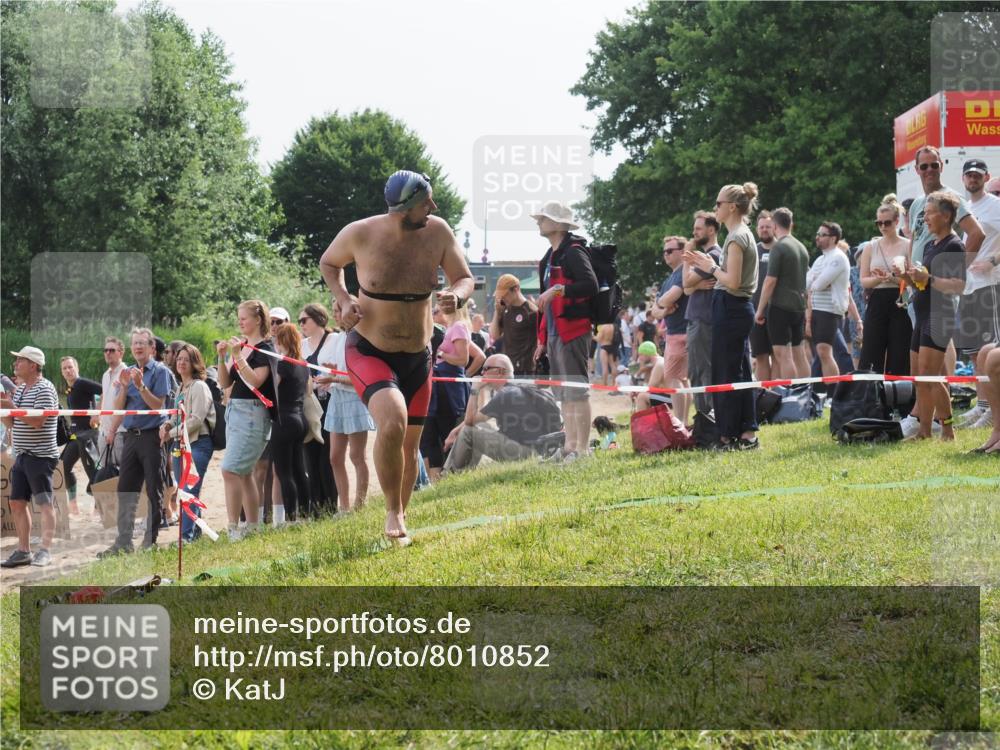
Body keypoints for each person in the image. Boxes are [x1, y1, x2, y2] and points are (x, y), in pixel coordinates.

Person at [320, 169, 474, 542]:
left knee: (410, 444)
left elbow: (464, 277)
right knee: (392, 421)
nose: (433, 207)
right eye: (426, 202)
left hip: (418, 355)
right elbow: (329, 262)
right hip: (369, 348)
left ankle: (400, 518)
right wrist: (344, 299)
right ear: (404, 208)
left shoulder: (437, 231)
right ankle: (391, 510)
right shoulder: (361, 232)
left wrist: (459, 295)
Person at [684, 182, 760, 450]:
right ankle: (744, 432)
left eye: (718, 204)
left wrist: (711, 267)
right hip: (731, 307)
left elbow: (734, 281)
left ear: (731, 207)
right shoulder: (737, 234)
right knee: (737, 372)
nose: (715, 208)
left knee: (727, 374)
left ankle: (731, 434)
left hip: (732, 305)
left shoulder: (738, 236)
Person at [532, 200, 599, 462]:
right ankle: (570, 445)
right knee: (563, 393)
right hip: (553, 333)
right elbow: (543, 305)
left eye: (544, 218)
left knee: (576, 390)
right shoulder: (548, 258)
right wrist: (541, 339)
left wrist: (558, 289)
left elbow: (590, 284)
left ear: (560, 225)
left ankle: (581, 449)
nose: (539, 221)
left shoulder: (573, 251)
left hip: (573, 329)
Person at [98, 328, 172, 557]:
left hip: (152, 438)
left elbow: (158, 406)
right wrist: (123, 386)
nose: (138, 347)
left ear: (151, 348)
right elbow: (120, 406)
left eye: (142, 343)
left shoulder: (161, 371)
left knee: (154, 489)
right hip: (130, 435)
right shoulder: (128, 372)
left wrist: (140, 386)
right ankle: (124, 542)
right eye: (135, 344)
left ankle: (150, 541)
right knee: (125, 490)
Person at [903, 192, 968, 441]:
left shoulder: (954, 245)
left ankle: (948, 430)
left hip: (939, 316)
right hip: (922, 315)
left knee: (930, 376)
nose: (925, 218)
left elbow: (958, 285)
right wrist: (904, 276)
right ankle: (925, 431)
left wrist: (927, 278)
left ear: (946, 216)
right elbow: (923, 284)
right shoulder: (931, 245)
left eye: (929, 213)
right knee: (921, 378)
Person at [214, 300, 277, 540]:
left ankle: (233, 529)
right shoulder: (244, 347)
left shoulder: (265, 348)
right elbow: (225, 383)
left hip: (253, 413)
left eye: (244, 317)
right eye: (238, 317)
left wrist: (238, 355)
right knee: (245, 472)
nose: (240, 322)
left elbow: (256, 381)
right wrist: (222, 358)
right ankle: (253, 527)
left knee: (230, 470)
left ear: (259, 319)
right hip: (235, 411)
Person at [441, 354, 562, 472]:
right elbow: (478, 419)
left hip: (526, 454)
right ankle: (461, 471)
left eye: (486, 369)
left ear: (499, 371)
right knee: (479, 427)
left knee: (469, 432)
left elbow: (469, 421)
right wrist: (456, 430)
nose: (482, 373)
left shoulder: (505, 394)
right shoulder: (519, 389)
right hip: (539, 450)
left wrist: (475, 389)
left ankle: (450, 474)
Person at [0, 346, 60, 568]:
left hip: (41, 456)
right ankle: (23, 550)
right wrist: (4, 409)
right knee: (17, 503)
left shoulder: (45, 388)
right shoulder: (23, 388)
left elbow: (37, 422)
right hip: (23, 455)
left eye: (20, 361)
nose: (15, 364)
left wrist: (11, 406)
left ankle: (45, 551)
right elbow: (13, 424)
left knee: (44, 504)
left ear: (33, 365)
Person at [957, 159, 1000, 429]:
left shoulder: (996, 206)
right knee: (973, 351)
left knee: (989, 350)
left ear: (986, 177)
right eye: (968, 175)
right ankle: (982, 406)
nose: (972, 179)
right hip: (968, 285)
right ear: (963, 179)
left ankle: (993, 409)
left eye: (977, 175)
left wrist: (993, 262)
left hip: (989, 285)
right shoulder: (965, 208)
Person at [320, 311, 375, 512]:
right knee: (335, 456)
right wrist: (329, 375)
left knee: (357, 456)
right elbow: (335, 369)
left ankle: (360, 505)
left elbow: (362, 378)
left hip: (354, 399)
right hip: (337, 397)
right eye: (334, 310)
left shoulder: (361, 337)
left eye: (339, 310)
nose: (336, 314)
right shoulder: (337, 337)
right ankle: (343, 507)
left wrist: (334, 378)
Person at [160, 343, 214, 542]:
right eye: (179, 358)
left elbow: (196, 420)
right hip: (179, 444)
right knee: (185, 491)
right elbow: (177, 417)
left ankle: (186, 537)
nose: (181, 362)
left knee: (189, 491)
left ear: (195, 363)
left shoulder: (199, 386)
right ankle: (196, 534)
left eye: (186, 359)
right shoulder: (181, 387)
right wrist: (166, 426)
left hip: (198, 443)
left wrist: (171, 433)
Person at [857, 195, 913, 375]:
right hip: (878, 298)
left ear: (897, 221)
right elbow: (863, 280)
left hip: (900, 297)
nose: (882, 227)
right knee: (871, 350)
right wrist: (880, 279)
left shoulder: (907, 245)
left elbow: (913, 279)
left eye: (886, 223)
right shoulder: (870, 247)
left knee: (900, 350)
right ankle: (870, 397)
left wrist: (893, 278)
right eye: (878, 223)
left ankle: (900, 397)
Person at [754, 207, 811, 378]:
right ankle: (805, 395)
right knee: (799, 355)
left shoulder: (779, 247)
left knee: (783, 356)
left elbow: (770, 281)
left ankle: (790, 397)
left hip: (780, 307)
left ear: (774, 225)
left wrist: (760, 309)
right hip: (798, 308)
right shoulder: (801, 247)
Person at [422, 305, 474, 481]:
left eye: (436, 310)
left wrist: (442, 354)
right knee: (432, 439)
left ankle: (453, 480)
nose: (434, 313)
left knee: (448, 436)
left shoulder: (459, 326)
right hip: (437, 389)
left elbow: (463, 359)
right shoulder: (447, 328)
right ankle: (436, 483)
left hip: (449, 391)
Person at [299, 303, 338, 514]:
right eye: (299, 321)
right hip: (310, 405)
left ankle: (331, 505)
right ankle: (316, 508)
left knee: (328, 457)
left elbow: (341, 369)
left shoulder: (335, 340)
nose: (301, 325)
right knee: (310, 456)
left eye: (304, 320)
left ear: (319, 319)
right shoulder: (302, 346)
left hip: (330, 403)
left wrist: (332, 377)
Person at [269, 322, 311, 524]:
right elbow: (309, 391)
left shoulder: (283, 363)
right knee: (298, 469)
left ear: (280, 341)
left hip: (284, 419)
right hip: (300, 419)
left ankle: (291, 518)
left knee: (284, 472)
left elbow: (273, 388)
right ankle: (305, 514)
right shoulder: (303, 363)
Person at [683, 210, 723, 417]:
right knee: (696, 371)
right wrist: (695, 285)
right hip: (698, 320)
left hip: (704, 321)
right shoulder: (703, 257)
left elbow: (686, 283)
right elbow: (688, 289)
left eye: (698, 228)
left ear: (711, 229)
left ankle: (707, 417)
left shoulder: (713, 255)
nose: (694, 233)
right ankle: (703, 417)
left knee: (703, 370)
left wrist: (686, 258)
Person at [652, 235, 691, 422]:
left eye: (670, 251)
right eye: (664, 251)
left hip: (681, 332)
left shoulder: (684, 270)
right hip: (675, 332)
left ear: (682, 252)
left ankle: (680, 423)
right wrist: (663, 308)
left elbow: (673, 296)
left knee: (673, 379)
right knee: (683, 381)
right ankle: (684, 424)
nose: (665, 254)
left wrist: (662, 305)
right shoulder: (669, 278)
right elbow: (654, 312)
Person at [806, 222, 852, 378]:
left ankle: (834, 393)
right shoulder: (820, 260)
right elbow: (807, 283)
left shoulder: (838, 257)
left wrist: (816, 281)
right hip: (818, 309)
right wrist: (816, 281)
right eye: (818, 234)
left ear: (833, 238)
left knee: (825, 352)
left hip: (830, 310)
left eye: (822, 235)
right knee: (821, 352)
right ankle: (825, 392)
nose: (817, 237)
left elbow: (818, 284)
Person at [58, 355, 102, 513]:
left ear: (77, 368)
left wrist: (97, 413)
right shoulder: (70, 389)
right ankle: (73, 504)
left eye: (70, 367)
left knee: (92, 471)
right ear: (62, 372)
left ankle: (100, 505)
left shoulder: (82, 383)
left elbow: (105, 390)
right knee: (63, 466)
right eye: (65, 368)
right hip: (76, 435)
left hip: (88, 434)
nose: (68, 370)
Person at [489, 274, 538, 377]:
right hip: (506, 367)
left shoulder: (531, 311)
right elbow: (495, 335)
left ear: (516, 289)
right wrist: (497, 312)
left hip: (524, 369)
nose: (502, 298)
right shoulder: (505, 309)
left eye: (505, 294)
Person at [750, 211, 776, 380]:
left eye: (767, 226)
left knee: (778, 356)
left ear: (774, 227)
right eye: (761, 227)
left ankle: (781, 394)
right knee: (760, 356)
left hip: (777, 311)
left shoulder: (782, 248)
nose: (764, 230)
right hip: (754, 312)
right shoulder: (752, 251)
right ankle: (763, 396)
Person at [99, 336, 128, 466]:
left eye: (112, 350)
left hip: (120, 432)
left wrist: (112, 431)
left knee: (121, 473)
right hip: (103, 431)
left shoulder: (126, 373)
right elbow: (105, 397)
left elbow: (123, 406)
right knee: (106, 474)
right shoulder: (106, 374)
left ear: (121, 353)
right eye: (105, 350)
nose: (108, 353)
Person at [634, 340, 670, 411]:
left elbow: (650, 388)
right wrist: (645, 370)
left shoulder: (659, 364)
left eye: (641, 355)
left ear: (647, 354)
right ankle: (650, 421)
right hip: (669, 395)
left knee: (642, 396)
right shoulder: (657, 363)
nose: (639, 358)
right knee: (643, 395)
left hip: (671, 398)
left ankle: (643, 422)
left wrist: (637, 392)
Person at [595, 323, 619, 387]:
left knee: (604, 366)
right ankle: (614, 383)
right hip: (611, 346)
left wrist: (592, 336)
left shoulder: (603, 327)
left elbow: (598, 339)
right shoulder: (613, 326)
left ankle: (605, 383)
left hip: (604, 346)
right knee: (613, 365)